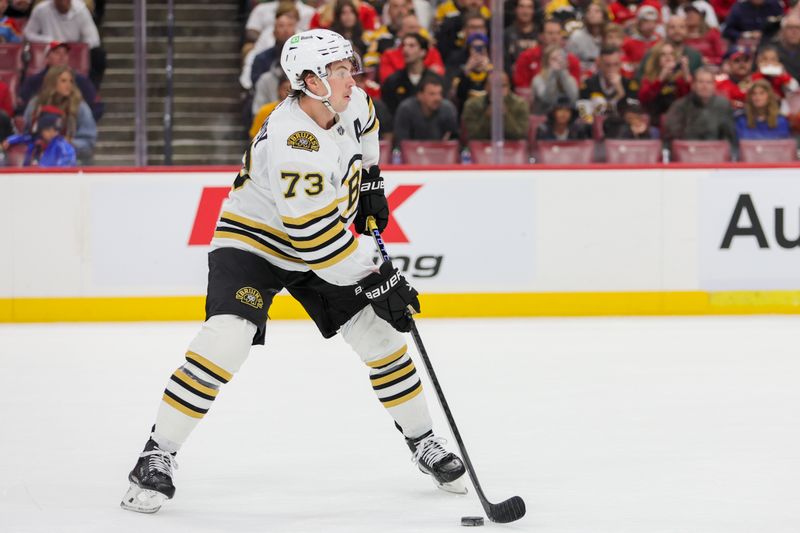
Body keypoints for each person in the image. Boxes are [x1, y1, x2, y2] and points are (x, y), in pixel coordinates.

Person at [120, 29, 466, 514]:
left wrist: (371, 178)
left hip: (317, 243)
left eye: (349, 67)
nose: (353, 78)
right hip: (254, 244)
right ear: (309, 80)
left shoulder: (352, 102)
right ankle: (156, 455)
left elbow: (367, 129)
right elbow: (316, 241)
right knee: (226, 339)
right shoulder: (293, 141)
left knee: (383, 340)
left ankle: (423, 441)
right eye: (340, 70)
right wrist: (380, 278)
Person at [23, 0, 106, 88]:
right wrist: (47, 40)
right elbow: (28, 33)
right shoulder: (41, 9)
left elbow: (93, 39)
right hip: (49, 52)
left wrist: (75, 48)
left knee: (98, 54)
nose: (63, 2)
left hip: (74, 53)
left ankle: (92, 90)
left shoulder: (81, 9)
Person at [23, 65, 96, 163]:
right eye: (63, 81)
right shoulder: (36, 103)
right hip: (40, 154)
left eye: (71, 81)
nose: (68, 85)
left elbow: (89, 140)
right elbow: (27, 132)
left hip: (72, 156)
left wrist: (69, 143)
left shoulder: (80, 106)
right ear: (52, 83)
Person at [18, 41, 101, 120]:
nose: (62, 56)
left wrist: (82, 121)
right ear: (47, 58)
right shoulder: (33, 81)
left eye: (65, 53)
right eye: (57, 53)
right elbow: (22, 107)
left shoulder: (80, 80)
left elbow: (95, 105)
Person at [663, 67, 735, 144]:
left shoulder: (723, 105)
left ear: (714, 86)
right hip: (688, 151)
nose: (705, 86)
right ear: (693, 85)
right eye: (700, 82)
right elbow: (672, 137)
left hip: (715, 152)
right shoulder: (679, 106)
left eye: (709, 82)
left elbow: (729, 136)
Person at [381, 32, 444, 115]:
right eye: (404, 45)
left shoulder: (435, 79)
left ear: (423, 52)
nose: (405, 49)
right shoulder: (393, 81)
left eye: (411, 46)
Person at [513, 19, 581, 89]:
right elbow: (521, 87)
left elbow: (575, 90)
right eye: (550, 33)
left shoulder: (572, 60)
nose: (555, 37)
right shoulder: (526, 57)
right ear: (541, 36)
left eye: (558, 33)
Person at [461, 71, 529, 140]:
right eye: (495, 85)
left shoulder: (520, 104)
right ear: (486, 87)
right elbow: (474, 135)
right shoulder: (472, 105)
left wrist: (505, 115)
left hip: (511, 146)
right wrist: (487, 116)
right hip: (482, 145)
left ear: (509, 87)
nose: (499, 90)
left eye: (504, 86)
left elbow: (520, 135)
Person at [393, 75, 459, 143]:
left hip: (439, 152)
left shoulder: (448, 109)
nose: (437, 98)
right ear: (419, 95)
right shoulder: (406, 110)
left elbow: (454, 141)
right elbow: (402, 142)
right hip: (413, 152)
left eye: (439, 94)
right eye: (432, 94)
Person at [638, 41, 691, 125]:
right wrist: (660, 78)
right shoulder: (648, 79)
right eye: (663, 54)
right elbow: (644, 99)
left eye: (671, 54)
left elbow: (689, 100)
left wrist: (686, 73)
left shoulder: (680, 78)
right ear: (656, 59)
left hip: (678, 121)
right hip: (654, 121)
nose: (668, 57)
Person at [3, 105, 76, 166]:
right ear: (41, 129)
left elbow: (66, 166)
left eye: (56, 130)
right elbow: (25, 137)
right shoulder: (34, 142)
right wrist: (10, 140)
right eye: (48, 129)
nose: (52, 133)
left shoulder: (63, 147)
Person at [531, 45, 579, 114]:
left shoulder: (569, 78)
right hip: (543, 116)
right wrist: (552, 74)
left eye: (560, 59)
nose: (558, 62)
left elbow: (574, 98)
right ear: (546, 61)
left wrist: (563, 74)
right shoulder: (538, 79)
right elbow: (547, 99)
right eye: (554, 59)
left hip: (565, 118)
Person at [565, 1, 607, 73]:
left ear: (604, 16)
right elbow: (570, 63)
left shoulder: (609, 36)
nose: (592, 14)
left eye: (597, 11)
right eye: (589, 11)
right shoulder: (576, 37)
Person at [248, 73, 291, 139]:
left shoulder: (303, 112)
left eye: (291, 89)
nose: (288, 93)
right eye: (285, 89)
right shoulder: (265, 111)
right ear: (278, 90)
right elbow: (254, 137)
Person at [504, 0, 540, 73]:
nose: (525, 11)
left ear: (533, 10)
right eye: (521, 7)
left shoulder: (540, 34)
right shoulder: (506, 34)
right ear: (515, 9)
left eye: (529, 7)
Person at [715, 45, 755, 110]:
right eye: (737, 61)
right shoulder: (719, 83)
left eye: (746, 60)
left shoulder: (758, 81)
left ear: (751, 63)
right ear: (729, 63)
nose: (742, 64)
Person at [774, 15, 800, 83]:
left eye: (798, 28)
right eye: (790, 28)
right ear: (782, 31)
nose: (794, 32)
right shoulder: (772, 51)